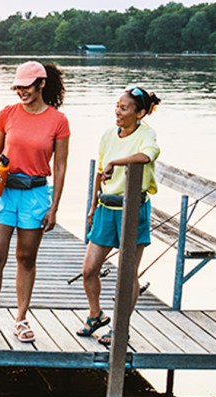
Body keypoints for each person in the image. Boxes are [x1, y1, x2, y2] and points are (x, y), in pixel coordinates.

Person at [0, 61, 70, 344]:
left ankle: (21, 318)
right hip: (4, 192)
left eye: (26, 86)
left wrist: (54, 207)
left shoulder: (58, 121)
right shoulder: (7, 114)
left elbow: (62, 167)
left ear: (41, 84)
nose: (21, 91)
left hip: (37, 194)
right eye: (18, 86)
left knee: (26, 259)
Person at [76, 86, 161, 346]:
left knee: (127, 274)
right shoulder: (107, 136)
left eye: (124, 108)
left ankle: (120, 329)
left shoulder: (147, 134)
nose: (118, 111)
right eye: (117, 106)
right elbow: (101, 172)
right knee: (89, 269)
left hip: (133, 209)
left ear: (140, 113)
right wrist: (92, 206)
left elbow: (147, 155)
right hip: (106, 208)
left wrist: (118, 162)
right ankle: (96, 315)